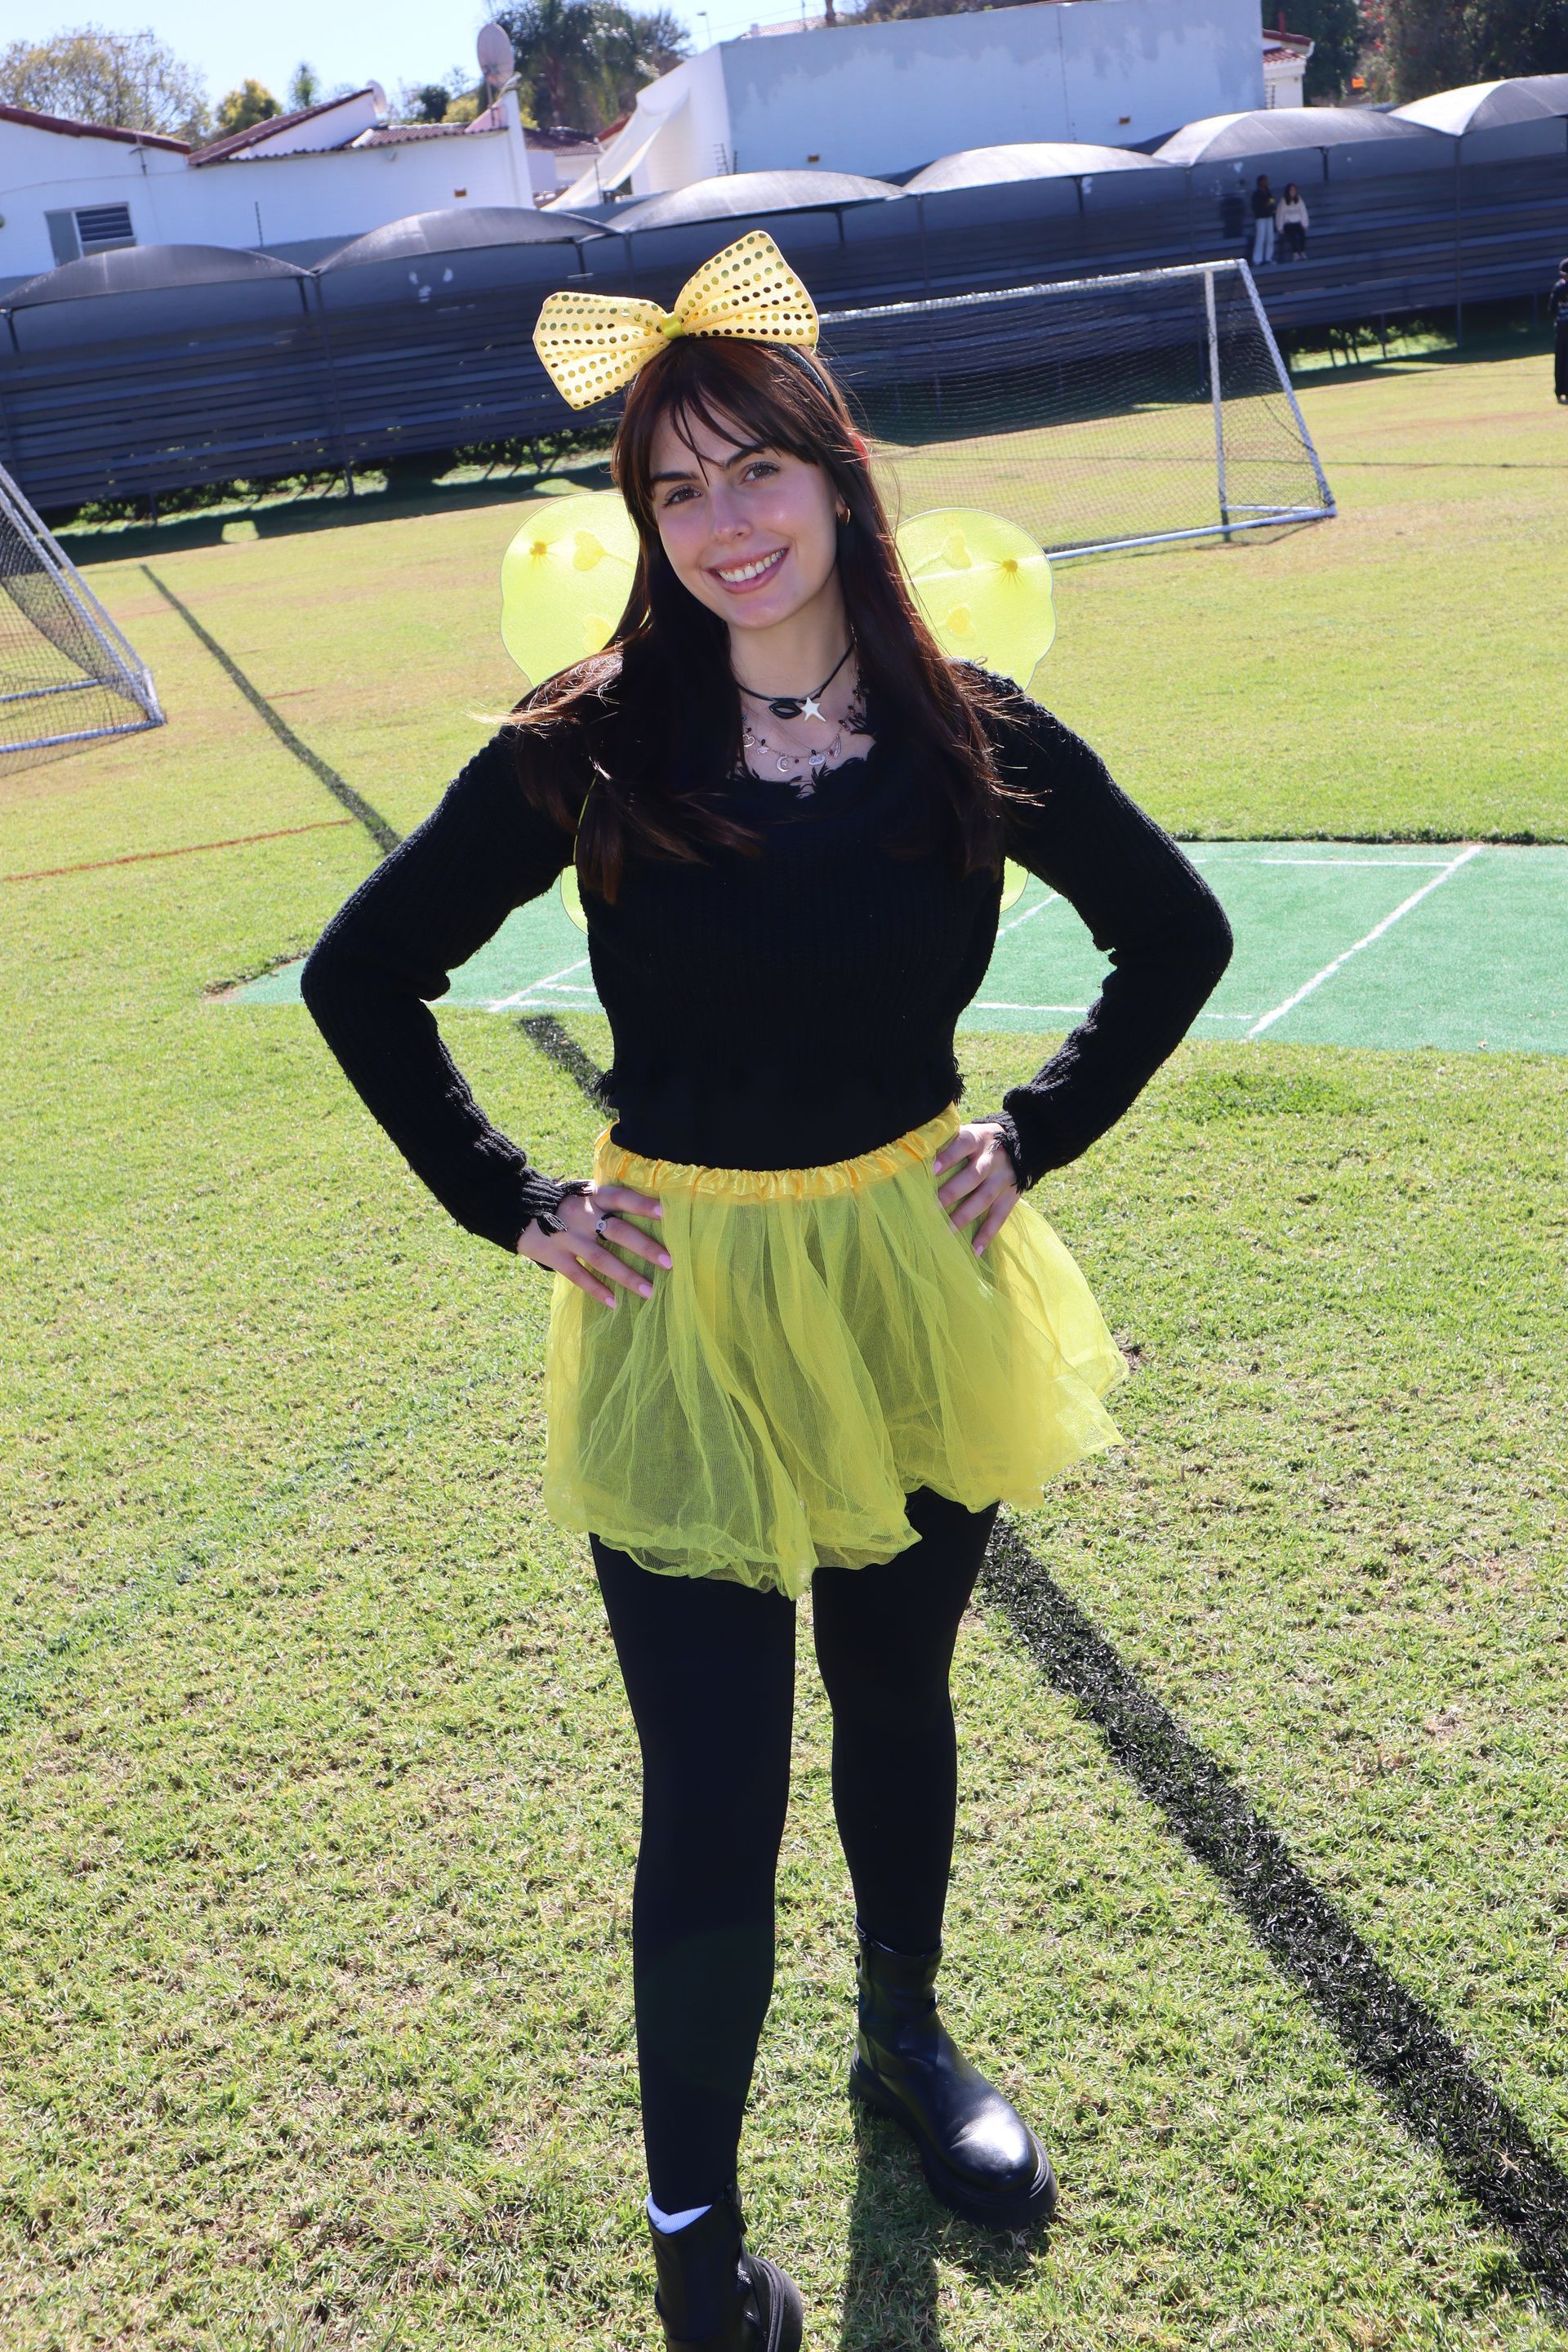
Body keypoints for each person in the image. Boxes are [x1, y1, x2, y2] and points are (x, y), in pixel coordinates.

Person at [301, 234, 1232, 2350]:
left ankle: (905, 2040)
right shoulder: (590, 741)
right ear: (643, 522)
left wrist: (1038, 1132)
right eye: (675, 490)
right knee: (713, 1786)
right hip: (684, 1311)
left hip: (912, 1285)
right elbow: (367, 975)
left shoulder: (964, 729)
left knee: (899, 1698)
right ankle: (694, 2247)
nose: (722, 525)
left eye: (754, 474)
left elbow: (1174, 935)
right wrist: (510, 1198)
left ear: (833, 474)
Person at [1276, 183, 1310, 263]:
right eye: (1291, 190)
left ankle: (1302, 251)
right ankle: (1295, 253)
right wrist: (1280, 227)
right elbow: (1280, 214)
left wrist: (1305, 224)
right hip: (1288, 224)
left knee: (1302, 235)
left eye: (1294, 189)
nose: (1293, 191)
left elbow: (1303, 212)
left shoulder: (1299, 200)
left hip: (1297, 223)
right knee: (1292, 235)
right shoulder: (1283, 201)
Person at [1550, 257, 1568, 403]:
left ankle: (1559, 391)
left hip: (1561, 327)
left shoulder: (1558, 287)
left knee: (1560, 358)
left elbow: (1552, 309)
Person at [1250, 172, 1276, 265]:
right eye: (1265, 181)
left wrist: (1272, 208)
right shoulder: (1256, 194)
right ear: (1260, 182)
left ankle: (1268, 258)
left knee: (1270, 238)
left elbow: (1272, 201)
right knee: (1260, 238)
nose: (1267, 182)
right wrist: (1266, 205)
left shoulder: (1268, 192)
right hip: (1261, 218)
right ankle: (1257, 259)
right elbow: (1256, 207)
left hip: (1269, 216)